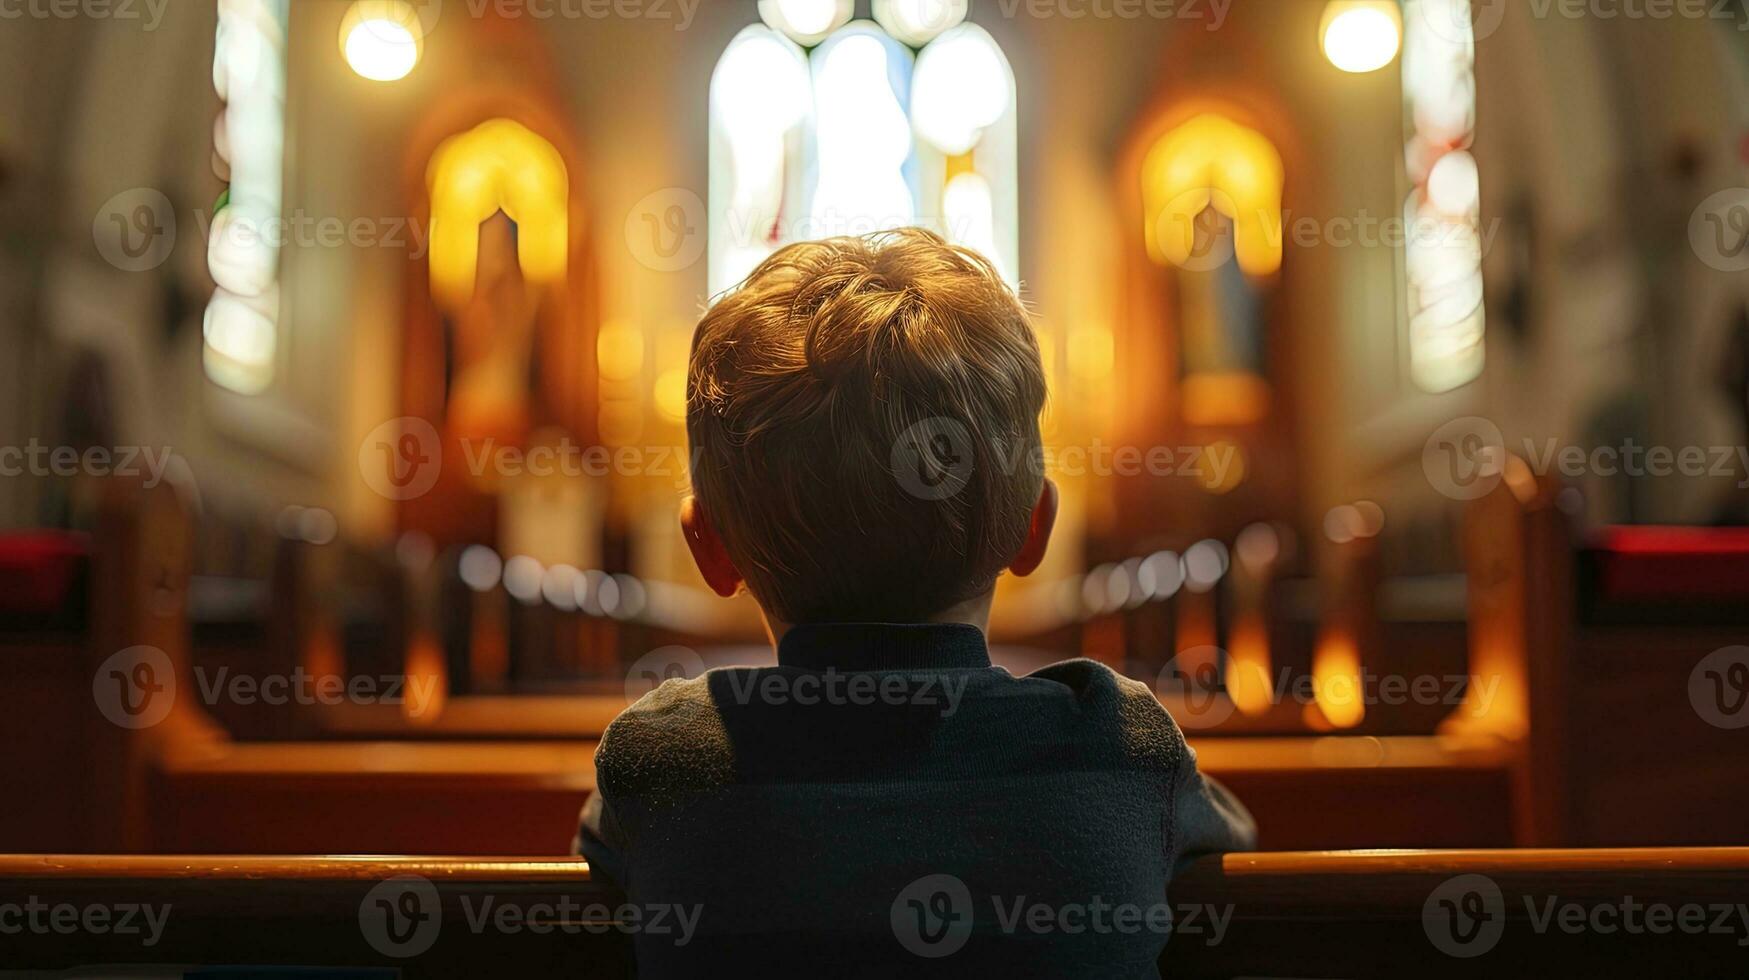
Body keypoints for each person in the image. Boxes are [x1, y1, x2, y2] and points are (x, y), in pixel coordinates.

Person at [576, 228, 1255, 977]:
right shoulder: (1118, 745)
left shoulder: (660, 760)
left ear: (707, 547)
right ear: (1034, 530)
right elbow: (1232, 847)